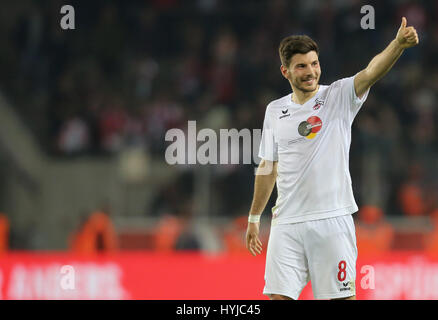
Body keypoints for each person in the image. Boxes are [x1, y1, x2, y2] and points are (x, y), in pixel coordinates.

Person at [245, 17, 419, 300]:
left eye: (314, 63)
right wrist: (254, 217)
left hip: (331, 220)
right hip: (286, 224)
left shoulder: (337, 96)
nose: (310, 71)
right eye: (301, 66)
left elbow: (370, 72)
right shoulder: (275, 111)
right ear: (285, 71)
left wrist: (397, 44)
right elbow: (267, 167)